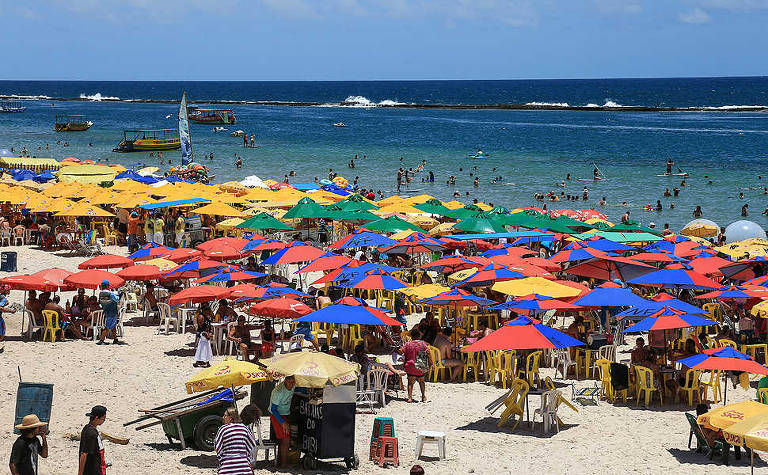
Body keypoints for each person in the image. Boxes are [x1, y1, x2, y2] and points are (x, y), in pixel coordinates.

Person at [214, 407, 255, 475]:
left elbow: (217, 448)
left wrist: (222, 459)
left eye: (225, 415)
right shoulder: (244, 428)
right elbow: (252, 445)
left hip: (227, 468)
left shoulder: (223, 429)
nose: (223, 417)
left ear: (230, 418)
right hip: (244, 468)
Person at [269, 376, 296, 468]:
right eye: (290, 382)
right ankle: (284, 464)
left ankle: (281, 461)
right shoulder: (278, 391)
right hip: (277, 415)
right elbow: (273, 409)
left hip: (285, 413)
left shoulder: (293, 386)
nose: (292, 384)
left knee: (285, 438)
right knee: (285, 439)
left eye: (293, 382)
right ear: (285, 381)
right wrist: (282, 422)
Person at [401, 327, 432, 403]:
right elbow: (428, 354)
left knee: (410, 383)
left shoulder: (407, 344)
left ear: (411, 336)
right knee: (421, 382)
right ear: (419, 336)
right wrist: (431, 364)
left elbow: (401, 351)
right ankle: (423, 397)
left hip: (410, 366)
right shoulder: (422, 343)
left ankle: (410, 398)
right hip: (420, 366)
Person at [79, 405, 106, 475]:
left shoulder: (87, 428)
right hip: (93, 470)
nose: (104, 421)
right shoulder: (91, 434)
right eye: (103, 419)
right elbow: (84, 454)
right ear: (97, 418)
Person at [97, 281, 120, 345]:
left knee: (113, 326)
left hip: (106, 311)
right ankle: (101, 340)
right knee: (108, 326)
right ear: (107, 286)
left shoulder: (100, 293)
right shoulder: (110, 293)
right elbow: (117, 299)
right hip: (112, 311)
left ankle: (115, 339)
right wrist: (121, 294)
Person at [194, 303, 214, 368]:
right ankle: (205, 362)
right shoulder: (201, 317)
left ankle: (200, 361)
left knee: (205, 347)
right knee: (204, 347)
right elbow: (201, 327)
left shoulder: (207, 316)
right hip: (202, 333)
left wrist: (210, 332)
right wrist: (206, 335)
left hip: (206, 333)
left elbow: (210, 325)